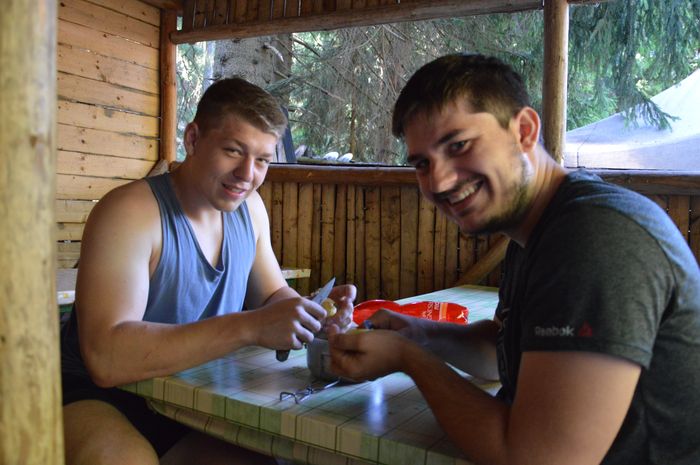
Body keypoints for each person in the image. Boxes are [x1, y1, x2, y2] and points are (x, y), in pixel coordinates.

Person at [328, 54, 700, 465]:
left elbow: (538, 459)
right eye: (422, 163)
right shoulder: (536, 230)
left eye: (458, 145)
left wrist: (407, 358)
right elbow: (501, 356)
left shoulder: (593, 234)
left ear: (524, 130)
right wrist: (417, 334)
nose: (439, 181)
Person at [60, 77, 356, 465]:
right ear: (193, 138)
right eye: (233, 151)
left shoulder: (250, 209)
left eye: (262, 160)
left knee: (274, 458)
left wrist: (308, 313)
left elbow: (272, 295)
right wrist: (250, 326)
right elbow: (106, 360)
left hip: (187, 395)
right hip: (95, 396)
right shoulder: (130, 212)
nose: (247, 174)